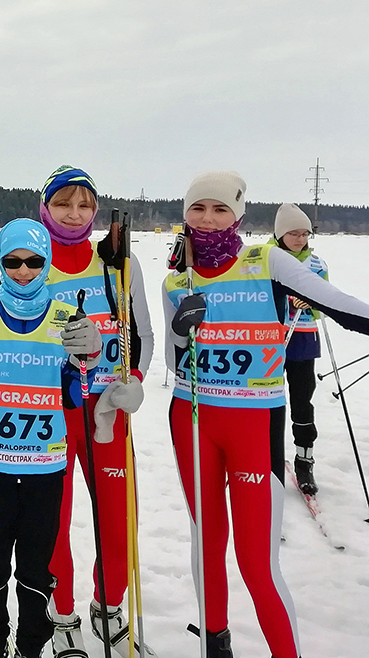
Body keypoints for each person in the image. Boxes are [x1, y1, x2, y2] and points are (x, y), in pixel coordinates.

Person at [164, 171, 369, 658]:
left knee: (256, 562)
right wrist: (179, 329)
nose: (208, 218)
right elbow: (175, 362)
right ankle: (215, 644)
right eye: (198, 208)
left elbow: (339, 305)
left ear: (238, 215)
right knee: (206, 542)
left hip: (254, 423)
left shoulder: (266, 260)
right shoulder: (176, 277)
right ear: (185, 213)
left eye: (220, 209)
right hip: (192, 418)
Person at [0, 218, 103, 658]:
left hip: (44, 469)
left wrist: (88, 358)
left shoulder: (67, 318)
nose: (23, 271)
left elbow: (74, 395)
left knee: (35, 569)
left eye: (33, 261)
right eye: (12, 262)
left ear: (46, 262)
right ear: (1, 263)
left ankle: (31, 646)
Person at [36, 165, 154, 655]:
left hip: (106, 410)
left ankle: (109, 605)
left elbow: (141, 334)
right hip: (52, 414)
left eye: (84, 204)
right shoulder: (30, 259)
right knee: (54, 522)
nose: (74, 213)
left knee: (117, 518)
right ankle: (61, 611)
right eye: (63, 203)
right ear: (45, 208)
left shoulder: (117, 262)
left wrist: (136, 381)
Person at [271, 203, 327, 495]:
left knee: (302, 401)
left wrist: (313, 302)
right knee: (268, 402)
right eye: (294, 233)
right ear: (280, 234)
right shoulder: (266, 259)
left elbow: (326, 304)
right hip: (269, 339)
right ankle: (267, 457)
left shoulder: (316, 265)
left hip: (303, 340)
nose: (300, 239)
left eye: (305, 234)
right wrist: (286, 299)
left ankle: (304, 461)